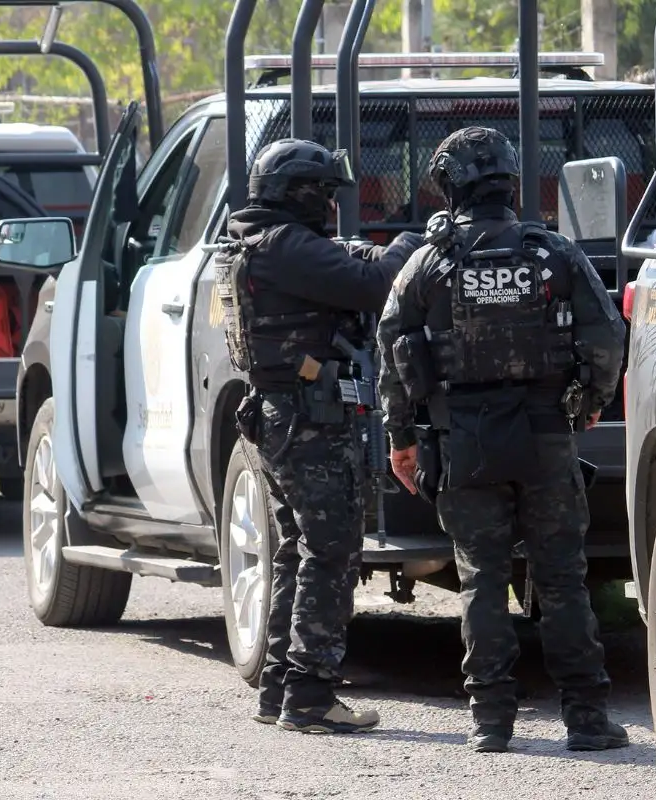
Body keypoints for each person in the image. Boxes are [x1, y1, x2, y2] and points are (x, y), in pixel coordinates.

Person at [375, 126, 629, 753]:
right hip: (546, 438)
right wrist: (590, 401)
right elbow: (607, 339)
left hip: (464, 444)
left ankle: (491, 721)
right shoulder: (554, 254)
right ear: (511, 180)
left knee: (481, 582)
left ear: (448, 187)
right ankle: (588, 721)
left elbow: (393, 349)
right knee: (563, 580)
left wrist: (402, 440)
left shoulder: (427, 263)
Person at [214, 137, 421, 734]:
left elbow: (335, 265)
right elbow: (374, 283)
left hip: (280, 414)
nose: (330, 206)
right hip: (307, 420)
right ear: (297, 194)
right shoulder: (284, 247)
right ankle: (310, 696)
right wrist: (411, 240)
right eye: (323, 194)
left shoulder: (255, 241)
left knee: (293, 549)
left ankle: (280, 685)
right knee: (331, 552)